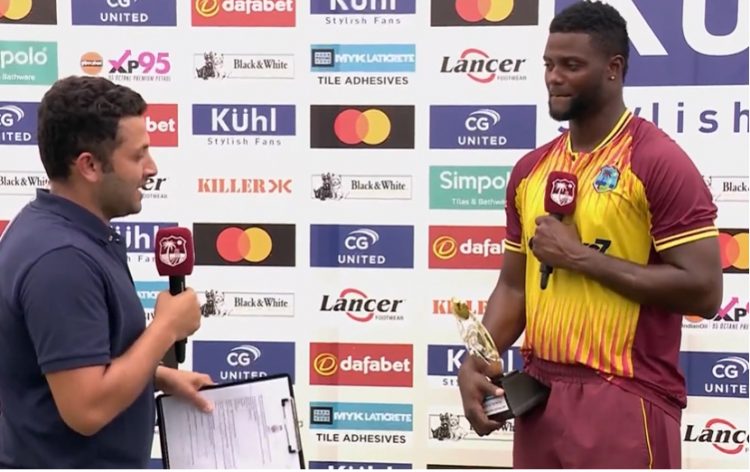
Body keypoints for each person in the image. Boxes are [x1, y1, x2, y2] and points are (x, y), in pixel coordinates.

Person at [457, 1, 722, 469]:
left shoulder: (656, 161)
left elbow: (704, 290)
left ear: (613, 69)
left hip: (625, 395)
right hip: (540, 395)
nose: (554, 77)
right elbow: (514, 285)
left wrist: (581, 259)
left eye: (571, 65)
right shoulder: (530, 170)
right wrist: (479, 357)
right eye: (548, 64)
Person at [0, 76, 213, 468]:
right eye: (138, 155)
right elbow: (86, 409)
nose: (152, 168)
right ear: (90, 166)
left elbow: (73, 365)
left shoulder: (67, 231)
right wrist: (166, 327)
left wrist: (160, 377)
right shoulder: (61, 259)